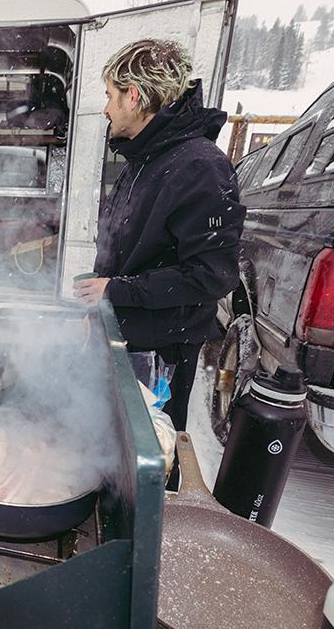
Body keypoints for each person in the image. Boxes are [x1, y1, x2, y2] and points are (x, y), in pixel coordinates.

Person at [72, 39, 244, 487]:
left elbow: (212, 275)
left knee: (147, 468)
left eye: (110, 95)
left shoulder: (201, 167)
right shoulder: (143, 158)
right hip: (122, 339)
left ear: (134, 95)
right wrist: (99, 307)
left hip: (159, 356)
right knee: (106, 455)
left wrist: (116, 291)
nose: (105, 108)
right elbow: (121, 251)